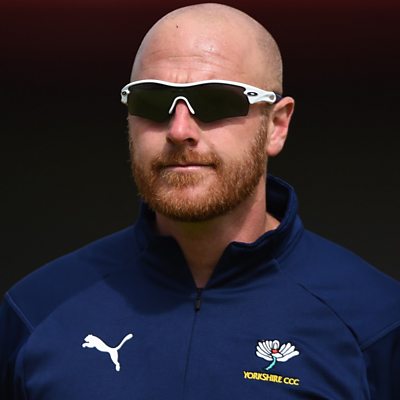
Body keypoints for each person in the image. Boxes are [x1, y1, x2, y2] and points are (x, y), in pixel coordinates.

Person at [1, 3, 399, 399]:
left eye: (215, 101)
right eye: (152, 101)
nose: (179, 130)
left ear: (276, 125)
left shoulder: (378, 323)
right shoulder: (35, 311)